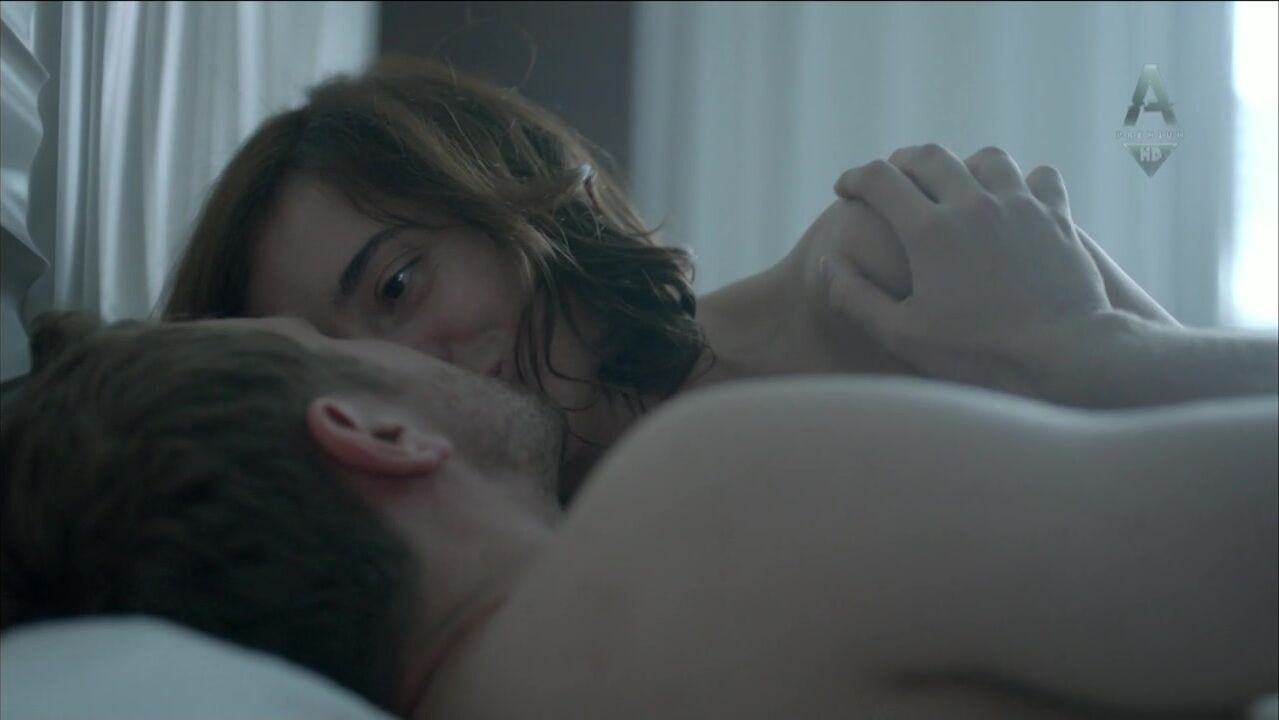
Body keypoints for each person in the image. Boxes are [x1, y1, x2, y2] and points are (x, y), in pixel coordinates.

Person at [2, 311, 1274, 719]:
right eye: (344, 338)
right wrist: (1097, 350)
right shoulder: (693, 511)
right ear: (374, 433)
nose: (418, 347)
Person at [162, 55, 1277, 504]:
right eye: (348, 364)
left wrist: (1087, 356)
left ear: (508, 202)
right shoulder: (517, 606)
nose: (408, 372)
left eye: (400, 287)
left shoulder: (880, 269)